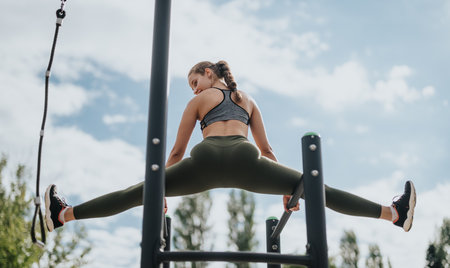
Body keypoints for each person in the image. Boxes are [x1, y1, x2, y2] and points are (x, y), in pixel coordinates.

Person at [45, 60, 416, 234]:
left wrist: (160, 187)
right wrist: (290, 192)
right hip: (248, 160)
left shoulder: (200, 99)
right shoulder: (248, 99)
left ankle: (62, 216)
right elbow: (267, 150)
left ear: (209, 74)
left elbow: (175, 152)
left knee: (136, 193)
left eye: (195, 80)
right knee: (320, 189)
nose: (193, 88)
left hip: (203, 161)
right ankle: (393, 214)